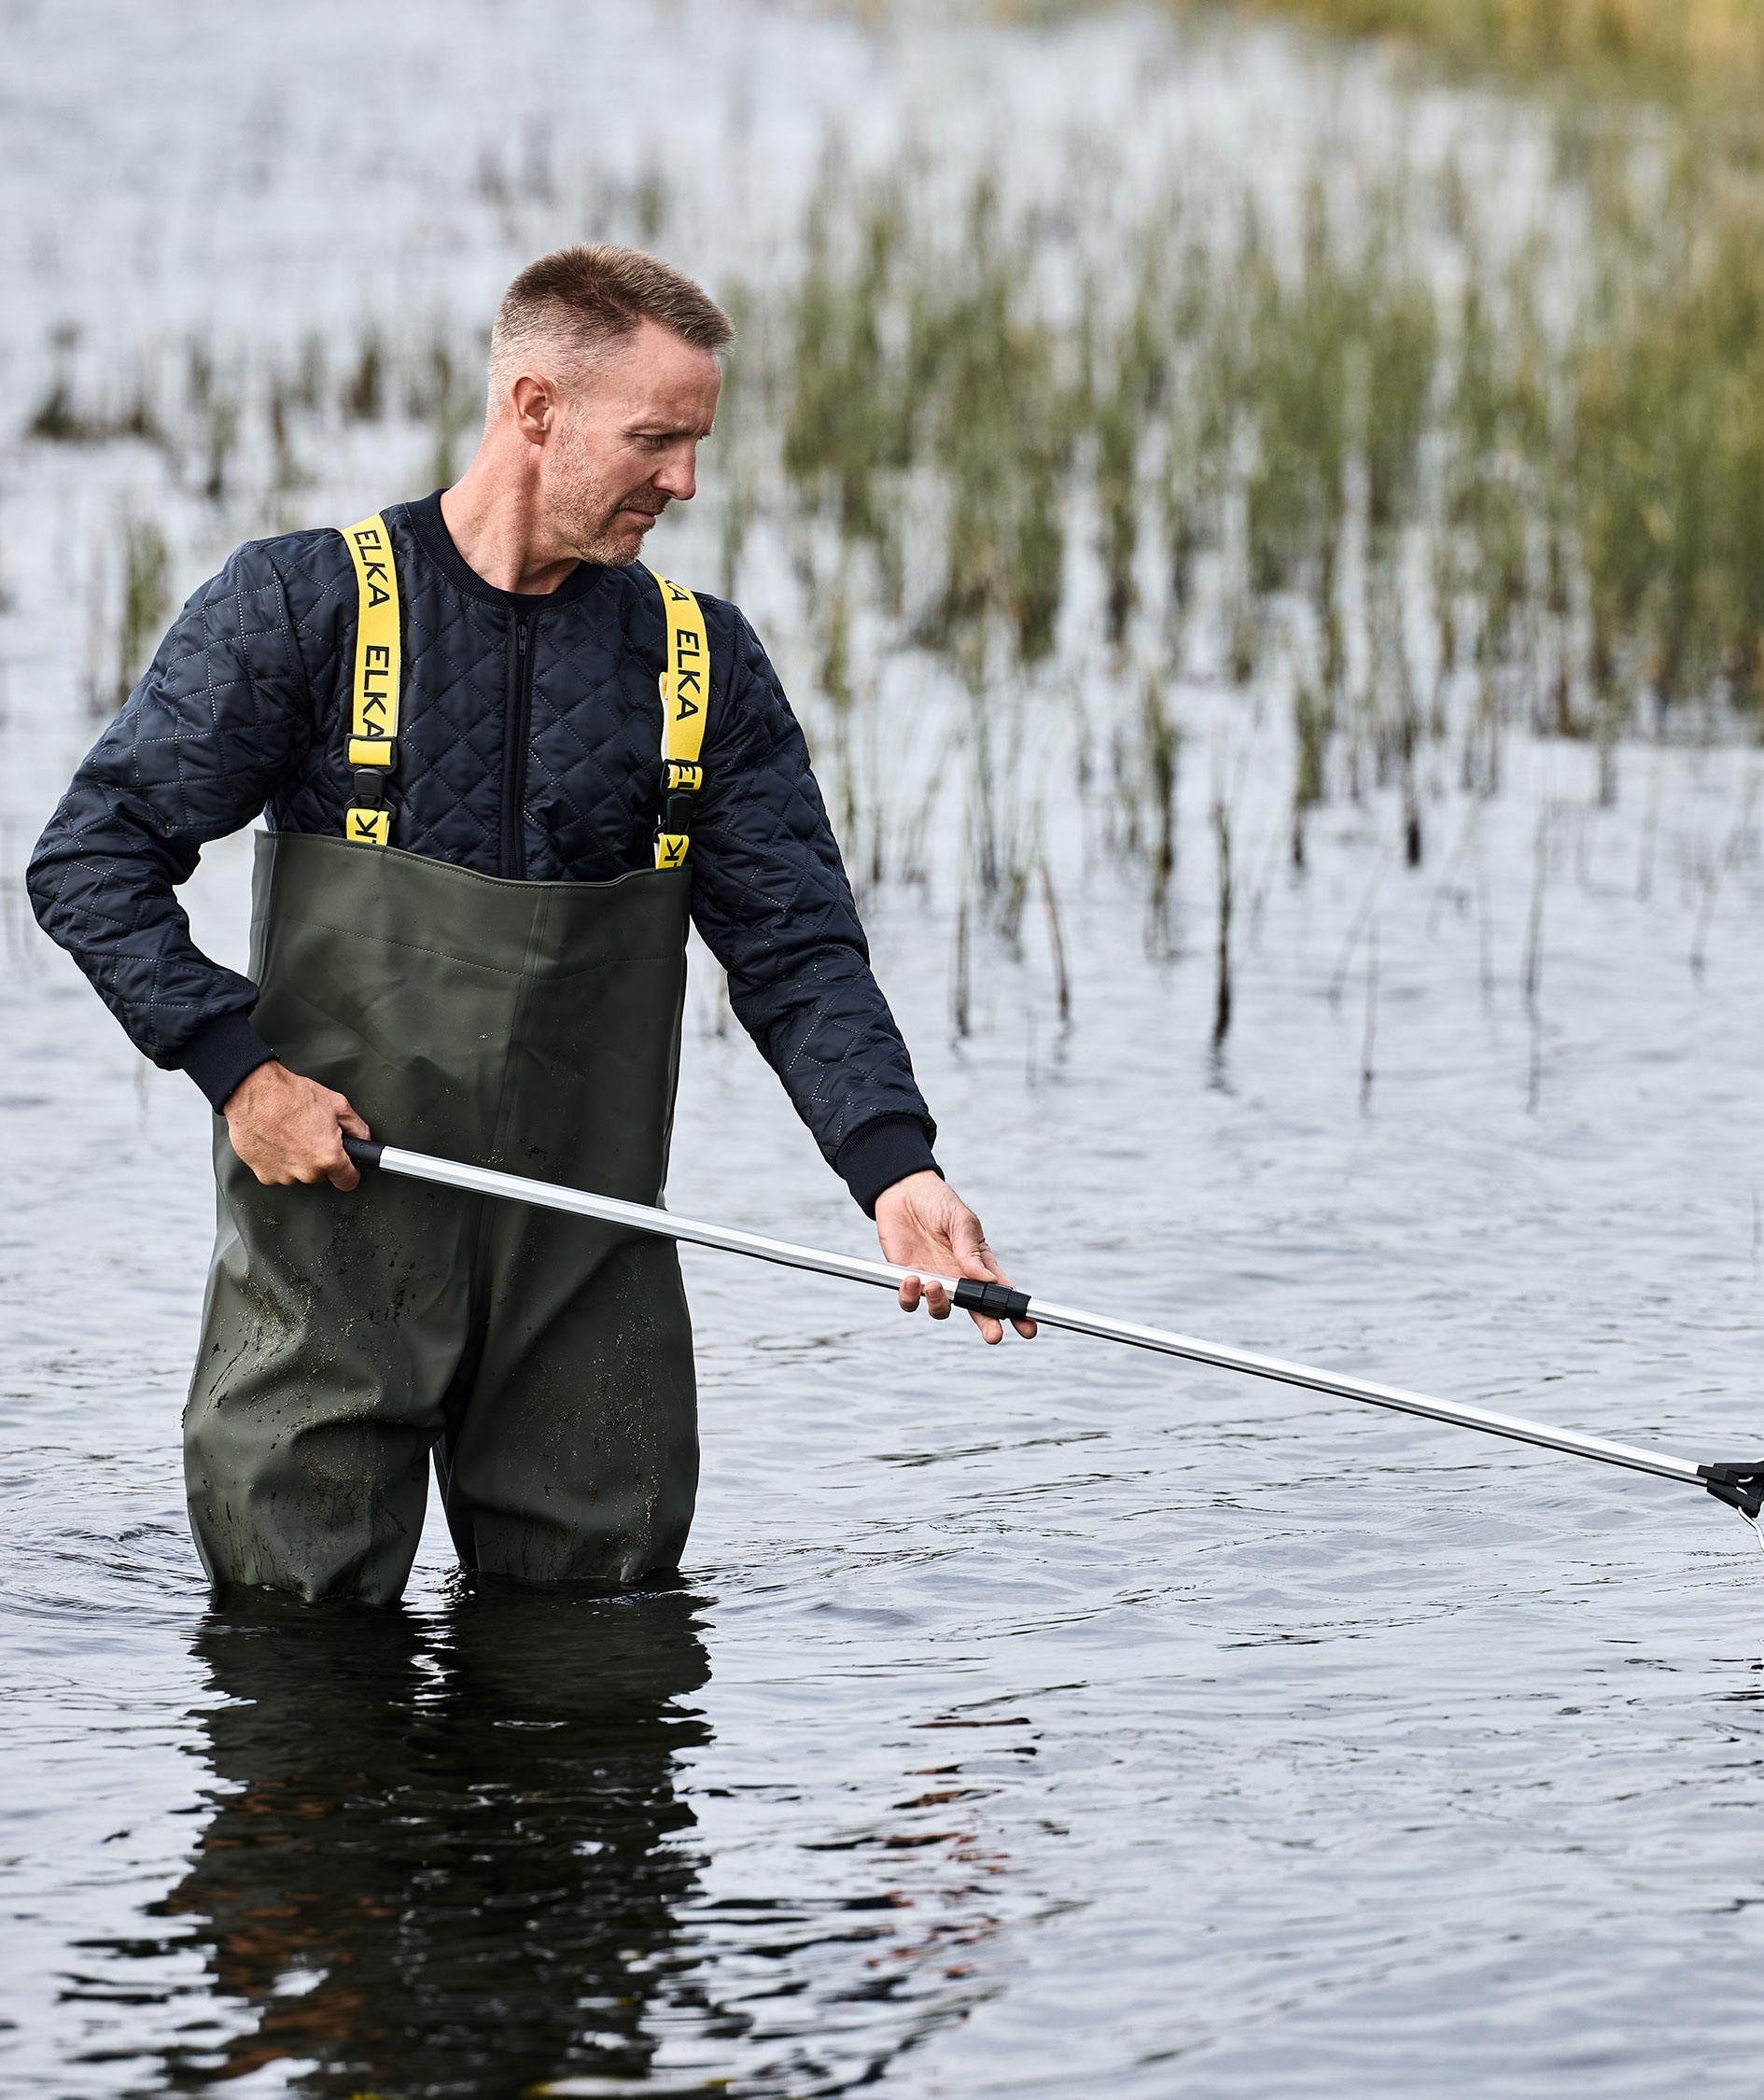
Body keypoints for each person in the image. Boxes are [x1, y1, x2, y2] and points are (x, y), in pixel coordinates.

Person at [29, 244, 1034, 1605]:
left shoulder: (702, 663)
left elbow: (796, 956)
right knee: (297, 1670)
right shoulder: (302, 606)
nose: (684, 480)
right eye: (657, 439)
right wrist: (239, 1075)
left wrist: (895, 1170)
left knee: (599, 1667)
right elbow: (92, 857)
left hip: (587, 1271)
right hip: (330, 1255)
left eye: (697, 443)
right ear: (534, 406)